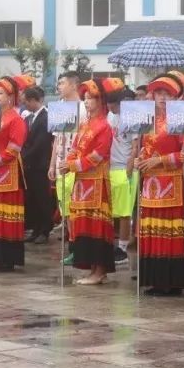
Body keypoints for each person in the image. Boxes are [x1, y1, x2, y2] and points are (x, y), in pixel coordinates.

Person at [136, 73, 184, 295]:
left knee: (169, 232)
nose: (162, 97)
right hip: (151, 184)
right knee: (152, 230)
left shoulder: (180, 117)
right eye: (158, 92)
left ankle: (171, 281)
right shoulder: (150, 120)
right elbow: (147, 149)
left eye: (167, 93)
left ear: (175, 95)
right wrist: (141, 157)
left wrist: (158, 160)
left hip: (171, 184)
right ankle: (156, 279)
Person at [66, 77, 122, 284]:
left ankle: (100, 271)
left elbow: (98, 156)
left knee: (97, 225)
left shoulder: (104, 127)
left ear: (101, 101)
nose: (87, 101)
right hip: (82, 182)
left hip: (97, 182)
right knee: (83, 224)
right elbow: (75, 149)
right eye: (86, 98)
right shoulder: (84, 125)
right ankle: (92, 268)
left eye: (92, 98)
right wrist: (68, 161)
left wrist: (72, 165)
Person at [0, 76, 32, 271]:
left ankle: (8, 258)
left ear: (11, 97)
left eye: (1, 93)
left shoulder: (16, 120)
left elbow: (13, 149)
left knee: (6, 214)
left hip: (8, 172)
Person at [51, 71, 82, 259]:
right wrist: (51, 164)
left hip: (74, 164)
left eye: (62, 83)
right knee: (65, 208)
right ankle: (72, 244)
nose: (59, 87)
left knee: (75, 207)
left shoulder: (83, 108)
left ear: (73, 85)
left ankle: (77, 246)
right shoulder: (59, 107)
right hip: (60, 164)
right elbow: (56, 139)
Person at [107, 87, 138, 264]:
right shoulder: (110, 116)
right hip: (111, 166)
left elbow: (135, 145)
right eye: (109, 105)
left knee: (125, 210)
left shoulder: (131, 116)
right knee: (113, 210)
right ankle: (114, 243)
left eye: (114, 106)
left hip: (125, 167)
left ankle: (123, 248)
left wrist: (130, 164)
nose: (111, 108)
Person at [21, 86, 53, 244]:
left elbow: (40, 144)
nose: (25, 104)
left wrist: (23, 157)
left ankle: (45, 230)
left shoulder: (46, 117)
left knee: (42, 199)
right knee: (32, 198)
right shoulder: (29, 118)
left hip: (40, 164)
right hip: (30, 165)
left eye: (26, 101)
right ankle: (35, 229)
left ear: (34, 100)